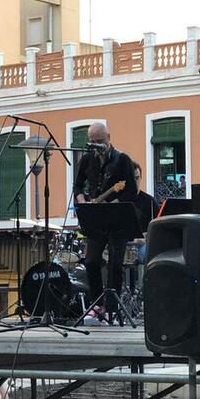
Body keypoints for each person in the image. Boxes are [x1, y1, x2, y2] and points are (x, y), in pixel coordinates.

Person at [72, 123, 140, 318]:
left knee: (115, 263)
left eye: (99, 141)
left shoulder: (122, 160)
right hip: (96, 217)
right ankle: (97, 303)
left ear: (108, 137)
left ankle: (112, 308)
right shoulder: (87, 159)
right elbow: (77, 186)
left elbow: (130, 191)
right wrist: (83, 201)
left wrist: (113, 202)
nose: (96, 145)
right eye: (92, 142)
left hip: (117, 217)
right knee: (91, 261)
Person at [132, 161, 160, 265]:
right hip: (121, 244)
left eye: (137, 178)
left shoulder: (150, 201)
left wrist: (145, 238)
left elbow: (160, 230)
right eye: (131, 179)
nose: (135, 182)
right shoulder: (117, 201)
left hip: (142, 245)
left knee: (147, 255)